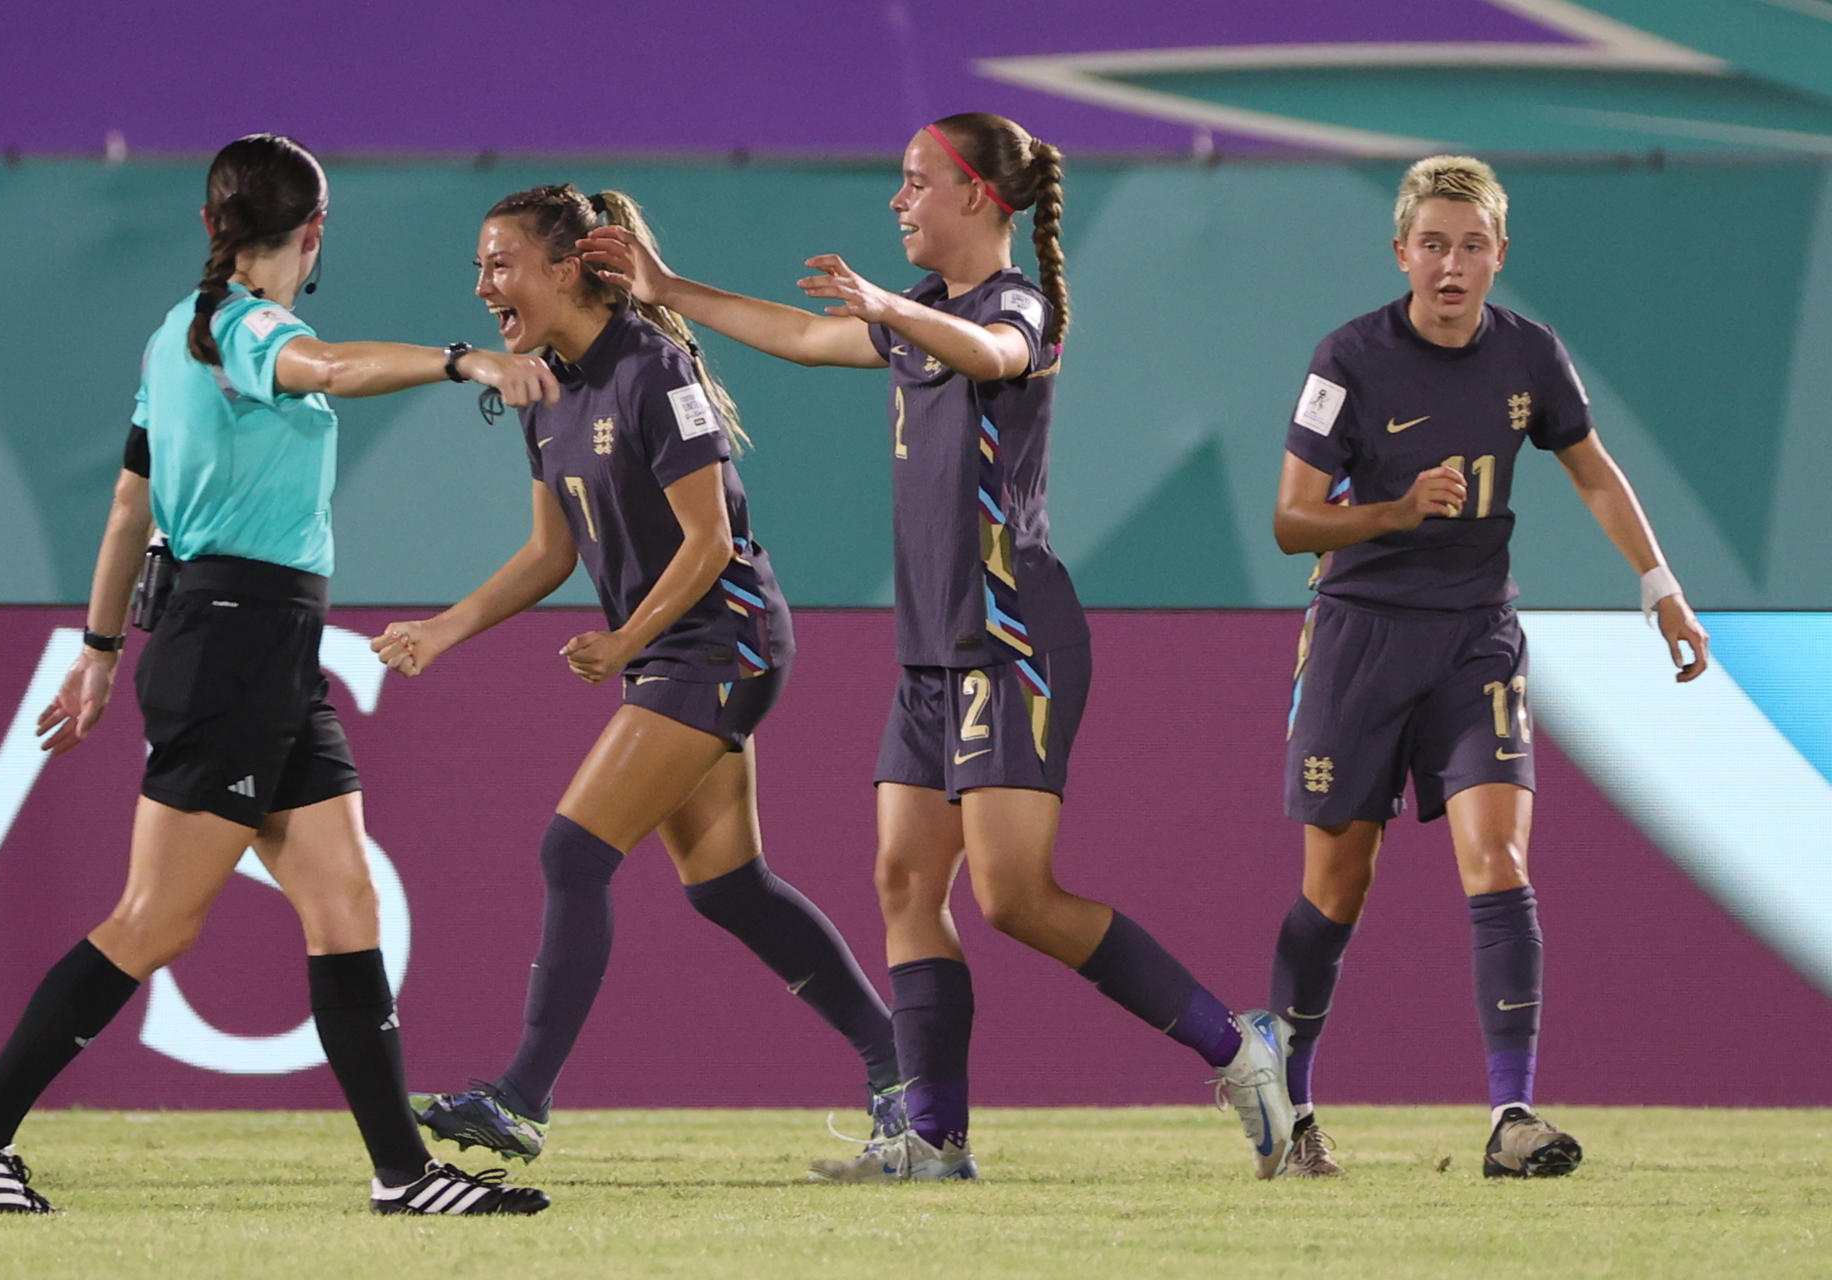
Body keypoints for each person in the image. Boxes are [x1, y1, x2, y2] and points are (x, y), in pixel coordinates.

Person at [579, 113, 1295, 1182]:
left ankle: (1240, 1047)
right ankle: (934, 1137)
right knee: (906, 880)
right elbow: (801, 335)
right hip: (932, 648)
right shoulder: (920, 312)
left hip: (1012, 636)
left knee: (1013, 895)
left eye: (915, 183)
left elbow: (999, 353)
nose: (896, 200)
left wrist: (882, 308)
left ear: (978, 197)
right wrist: (669, 287)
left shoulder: (1015, 304)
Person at [0, 134, 557, 1216]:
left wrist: (100, 647)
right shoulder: (244, 324)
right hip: (233, 646)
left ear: (212, 225)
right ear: (311, 234)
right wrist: (466, 361)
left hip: (259, 649)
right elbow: (334, 369)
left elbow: (130, 507)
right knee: (154, 920)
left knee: (344, 895)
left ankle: (404, 1174)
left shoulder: (172, 335)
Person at [371, 183, 904, 1165]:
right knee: (728, 887)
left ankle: (521, 1098)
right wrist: (444, 629)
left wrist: (621, 646)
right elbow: (549, 552)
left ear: (570, 266)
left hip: (723, 637)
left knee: (574, 850)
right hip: (673, 646)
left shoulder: (655, 367)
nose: (484, 283)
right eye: (480, 267)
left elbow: (706, 541)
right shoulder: (539, 382)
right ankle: (900, 1066)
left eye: (501, 263)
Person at [1267, 155, 1710, 1179]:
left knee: (1499, 859)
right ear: (1402, 252)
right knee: (1337, 885)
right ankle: (1288, 1102)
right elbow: (1292, 520)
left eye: (1472, 245)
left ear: (1499, 255)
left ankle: (1512, 1115)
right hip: (1360, 632)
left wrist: (1661, 585)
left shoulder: (1531, 357)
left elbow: (1592, 471)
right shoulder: (1349, 359)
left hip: (1476, 635)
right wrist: (1389, 510)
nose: (1452, 264)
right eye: (1434, 243)